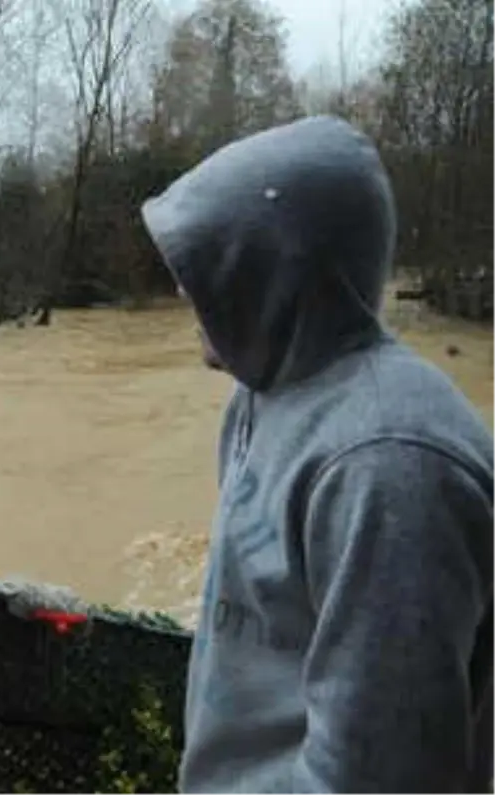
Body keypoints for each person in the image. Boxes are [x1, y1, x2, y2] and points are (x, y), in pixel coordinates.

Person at [140, 114, 495, 795]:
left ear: (283, 273)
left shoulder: (389, 465)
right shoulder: (261, 393)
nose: (185, 289)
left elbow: (382, 778)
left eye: (210, 259)